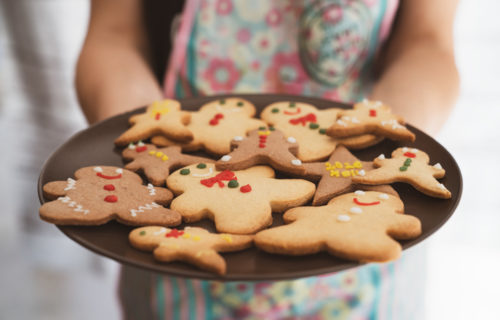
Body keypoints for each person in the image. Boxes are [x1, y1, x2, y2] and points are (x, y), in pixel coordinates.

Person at [76, 0, 460, 319]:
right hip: (178, 264)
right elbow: (114, 36)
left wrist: (386, 139)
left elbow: (426, 41)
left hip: (365, 258)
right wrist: (142, 140)